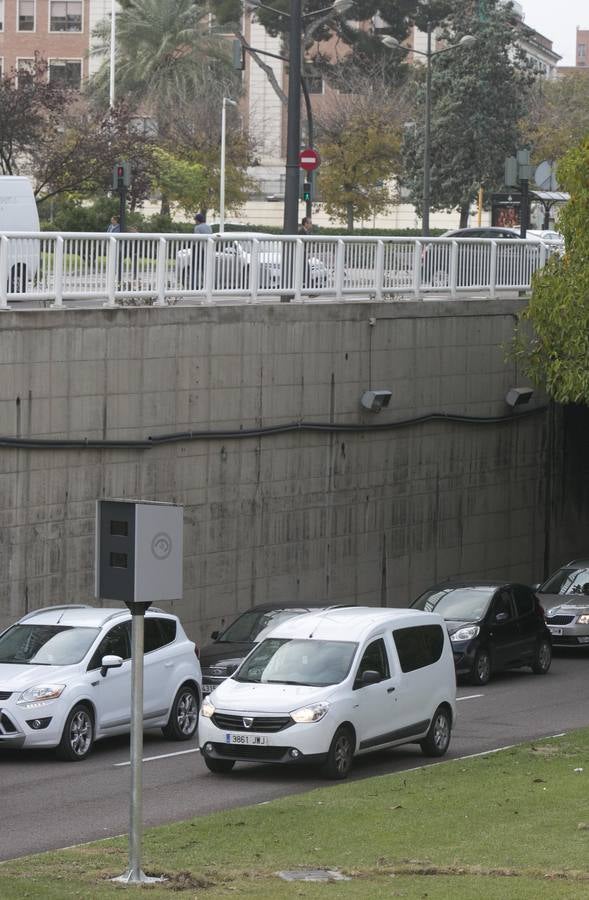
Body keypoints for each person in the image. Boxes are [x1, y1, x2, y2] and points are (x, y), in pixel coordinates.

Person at [191, 212, 212, 290]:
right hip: (207, 249)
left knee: (194, 268)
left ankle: (193, 286)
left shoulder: (197, 227)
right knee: (204, 268)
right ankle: (206, 285)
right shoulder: (209, 227)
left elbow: (196, 240)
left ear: (198, 220)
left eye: (195, 220)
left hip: (198, 249)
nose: (195, 222)